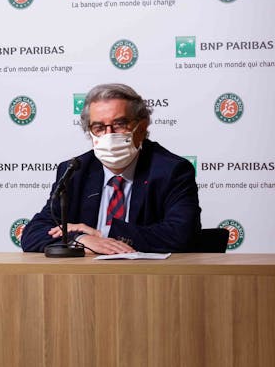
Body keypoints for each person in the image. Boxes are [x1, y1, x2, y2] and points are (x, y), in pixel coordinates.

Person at [21, 83, 200, 254]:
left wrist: (102, 234)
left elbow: (182, 234)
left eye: (120, 124)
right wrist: (81, 239)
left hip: (149, 279)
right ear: (89, 132)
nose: (109, 134)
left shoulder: (171, 170)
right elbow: (33, 234)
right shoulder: (75, 171)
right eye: (99, 127)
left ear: (142, 126)